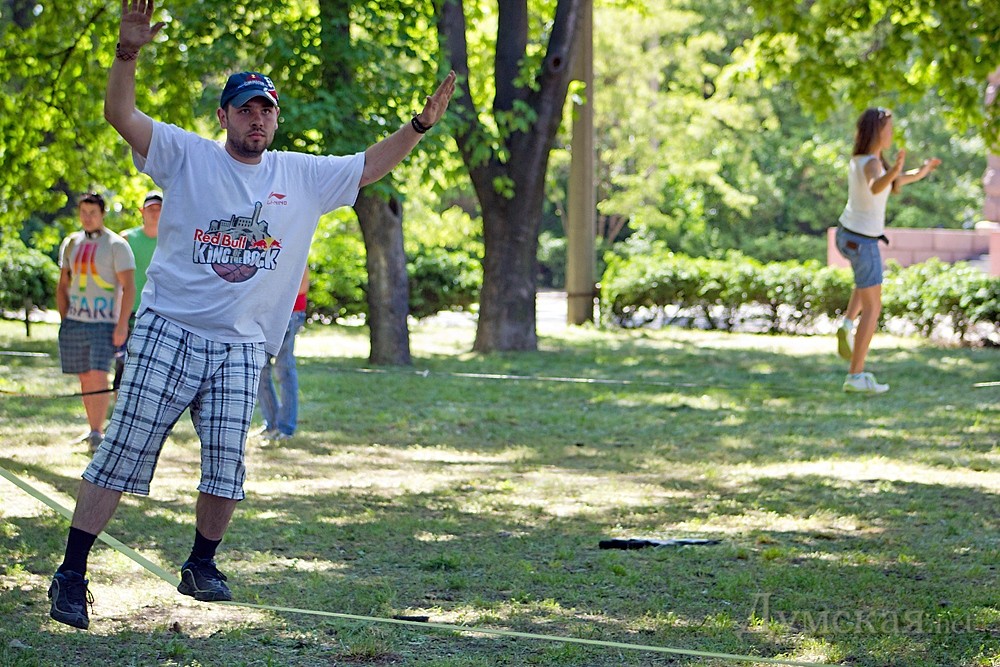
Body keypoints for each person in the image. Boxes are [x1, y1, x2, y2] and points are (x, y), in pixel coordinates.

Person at [47, 0, 456, 631]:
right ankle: (72, 574)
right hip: (169, 328)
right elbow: (120, 114)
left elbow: (370, 165)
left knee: (226, 465)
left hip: (242, 343)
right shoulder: (187, 154)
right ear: (225, 116)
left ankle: (201, 564)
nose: (257, 118)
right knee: (123, 450)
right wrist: (127, 52)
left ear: (275, 118)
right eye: (245, 108)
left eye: (266, 109)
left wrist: (419, 126)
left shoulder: (302, 175)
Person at [834, 107, 940, 393]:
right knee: (873, 307)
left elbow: (895, 181)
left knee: (865, 283)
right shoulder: (871, 163)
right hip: (863, 241)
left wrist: (922, 171)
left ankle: (846, 324)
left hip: (848, 235)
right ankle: (855, 376)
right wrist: (893, 170)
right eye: (889, 129)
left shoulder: (862, 159)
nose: (892, 134)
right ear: (876, 132)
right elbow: (875, 186)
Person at [56, 192, 136, 453]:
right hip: (76, 320)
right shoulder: (71, 243)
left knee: (99, 374)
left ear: (102, 214)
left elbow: (129, 287)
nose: (87, 217)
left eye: (93, 213)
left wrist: (121, 325)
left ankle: (98, 433)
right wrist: (64, 317)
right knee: (85, 375)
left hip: (105, 323)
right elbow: (63, 283)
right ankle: (92, 428)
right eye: (83, 212)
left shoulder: (116, 245)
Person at [257, 268, 309, 440]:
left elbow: (302, 287)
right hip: (267, 313)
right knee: (260, 368)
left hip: (290, 313)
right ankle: (272, 424)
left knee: (284, 368)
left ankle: (286, 427)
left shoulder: (296, 251)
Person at [115, 190, 161, 382]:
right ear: (142, 211)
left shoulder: (172, 240)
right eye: (151, 209)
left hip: (159, 311)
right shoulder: (126, 239)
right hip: (130, 310)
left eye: (159, 209)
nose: (155, 213)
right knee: (123, 365)